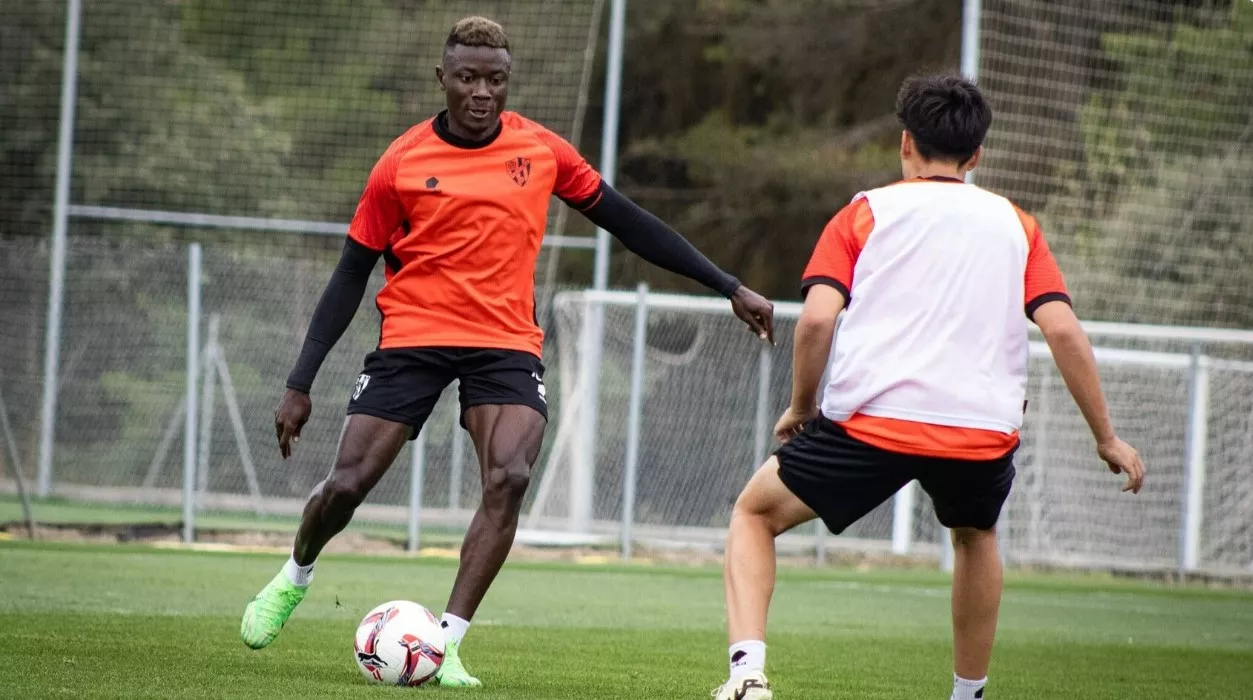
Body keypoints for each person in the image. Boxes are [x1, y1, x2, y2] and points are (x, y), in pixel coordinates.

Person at [238, 15, 776, 688]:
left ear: (508, 80)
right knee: (346, 485)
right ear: (442, 78)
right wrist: (300, 382)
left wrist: (728, 286)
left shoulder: (541, 151)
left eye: (495, 79)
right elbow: (350, 273)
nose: (482, 92)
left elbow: (629, 222)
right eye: (467, 78)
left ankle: (446, 643)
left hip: (504, 344)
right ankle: (294, 576)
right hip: (413, 339)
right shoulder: (401, 162)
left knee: (510, 476)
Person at [712, 73, 1146, 700]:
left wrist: (802, 406)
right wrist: (1106, 437)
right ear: (977, 155)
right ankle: (968, 694)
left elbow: (817, 320)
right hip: (981, 430)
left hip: (871, 425)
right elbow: (1063, 331)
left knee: (754, 514)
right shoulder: (1018, 225)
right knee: (975, 535)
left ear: (905, 142)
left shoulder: (865, 213)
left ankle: (747, 675)